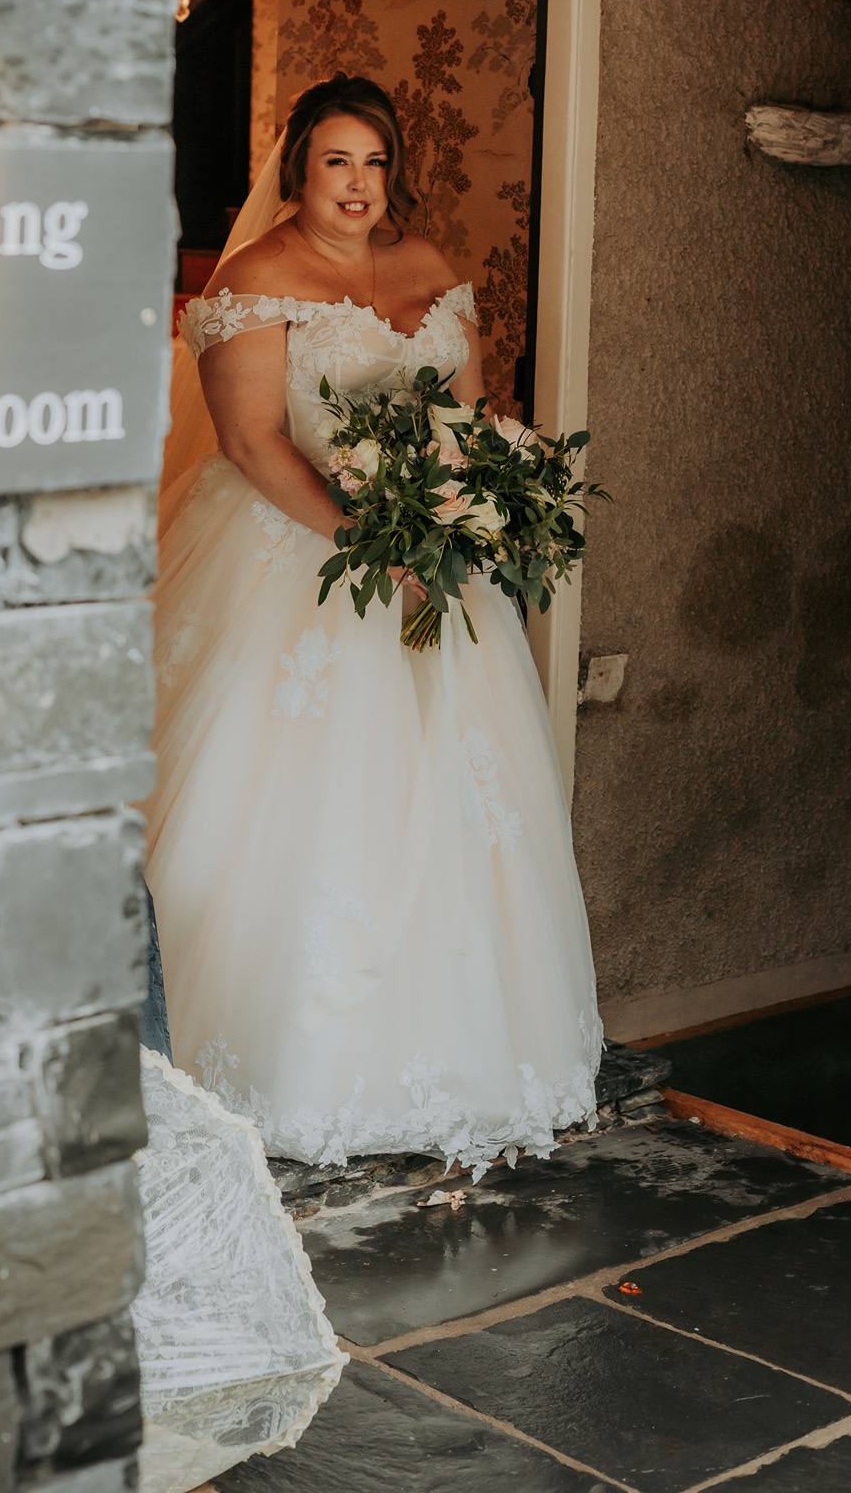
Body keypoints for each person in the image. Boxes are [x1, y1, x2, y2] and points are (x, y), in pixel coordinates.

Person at [146, 72, 603, 1176]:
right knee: (309, 806)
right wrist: (374, 542)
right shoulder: (255, 280)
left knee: (459, 808)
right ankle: (286, 1062)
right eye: (335, 161)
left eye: (375, 162)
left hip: (432, 563)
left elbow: (469, 417)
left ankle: (463, 1056)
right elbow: (254, 443)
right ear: (298, 166)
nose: (356, 185)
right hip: (300, 560)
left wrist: (475, 503)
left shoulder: (431, 269)